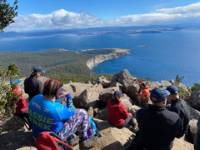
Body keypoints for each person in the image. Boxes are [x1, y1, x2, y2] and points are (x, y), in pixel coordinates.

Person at [29, 79, 95, 148]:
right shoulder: (57, 109)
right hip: (53, 139)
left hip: (36, 135)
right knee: (82, 113)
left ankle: (74, 137)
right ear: (56, 92)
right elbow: (72, 111)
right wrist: (69, 97)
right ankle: (84, 139)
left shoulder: (35, 98)